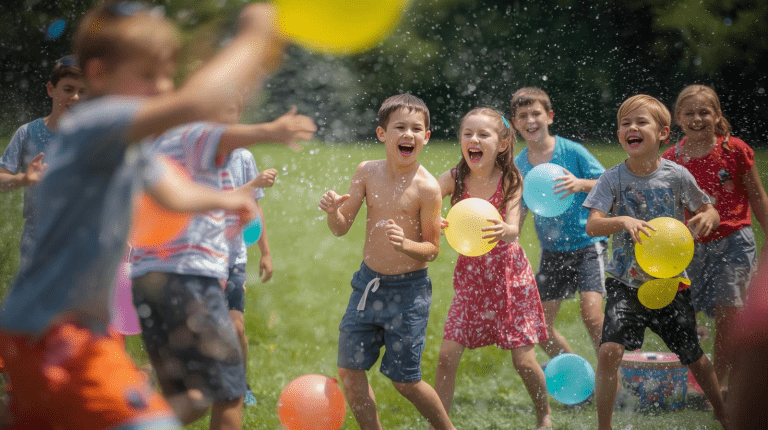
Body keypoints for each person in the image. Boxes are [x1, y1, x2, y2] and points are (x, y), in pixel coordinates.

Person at [0, 2, 287, 429]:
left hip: (47, 329)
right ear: (98, 74)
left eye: (167, 75)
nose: (162, 87)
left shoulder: (126, 146)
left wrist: (224, 200)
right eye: (148, 75)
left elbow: (173, 193)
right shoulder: (95, 124)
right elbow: (199, 100)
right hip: (60, 335)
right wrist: (256, 36)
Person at [130, 99, 315, 430]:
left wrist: (227, 201)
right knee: (229, 394)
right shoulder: (191, 136)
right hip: (189, 277)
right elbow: (217, 138)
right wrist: (272, 130)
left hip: (149, 279)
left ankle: (129, 420)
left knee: (186, 398)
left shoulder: (147, 147)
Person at [583, 94, 729, 430]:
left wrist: (711, 217)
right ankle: (604, 426)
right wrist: (623, 221)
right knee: (608, 352)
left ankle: (724, 415)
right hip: (625, 282)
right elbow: (593, 224)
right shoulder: (612, 178)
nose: (631, 128)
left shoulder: (677, 176)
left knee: (693, 355)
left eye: (640, 122)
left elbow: (707, 208)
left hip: (669, 282)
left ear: (663, 133)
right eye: (624, 123)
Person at [318, 94, 454, 430]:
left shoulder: (428, 189)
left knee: (405, 381)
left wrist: (406, 244)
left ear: (426, 137)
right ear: (382, 134)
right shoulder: (367, 172)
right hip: (368, 285)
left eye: (416, 129)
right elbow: (341, 229)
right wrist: (334, 211)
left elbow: (432, 250)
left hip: (408, 293)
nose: (408, 134)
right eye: (400, 128)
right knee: (350, 370)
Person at [434, 107, 551, 430]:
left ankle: (544, 415)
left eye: (482, 134)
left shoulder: (511, 178)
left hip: (510, 279)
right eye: (467, 133)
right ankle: (438, 423)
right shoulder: (455, 178)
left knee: (524, 361)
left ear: (501, 144)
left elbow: (514, 226)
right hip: (471, 281)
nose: (473, 139)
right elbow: (425, 196)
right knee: (446, 355)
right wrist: (432, 217)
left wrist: (504, 229)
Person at [662, 85, 768, 394]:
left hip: (734, 241)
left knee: (728, 315)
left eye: (704, 112)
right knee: (683, 316)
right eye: (690, 113)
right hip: (690, 247)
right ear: (678, 118)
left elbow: (758, 197)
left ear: (716, 115)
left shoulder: (734, 150)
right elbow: (668, 209)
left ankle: (719, 384)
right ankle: (693, 378)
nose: (697, 119)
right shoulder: (673, 158)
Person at [510, 87, 608, 360]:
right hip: (552, 250)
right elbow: (519, 209)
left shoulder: (571, 151)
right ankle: (577, 377)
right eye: (523, 116)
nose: (530, 121)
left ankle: (614, 381)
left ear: (549, 116)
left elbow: (608, 183)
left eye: (536, 114)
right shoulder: (520, 166)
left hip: (589, 244)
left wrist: (579, 184)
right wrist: (510, 240)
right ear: (515, 123)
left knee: (591, 315)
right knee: (540, 328)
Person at [0, 55, 85, 269]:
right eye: (68, 89)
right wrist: (23, 179)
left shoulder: (94, 137)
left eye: (82, 92)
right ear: (51, 89)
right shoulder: (28, 133)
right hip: (38, 239)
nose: (75, 97)